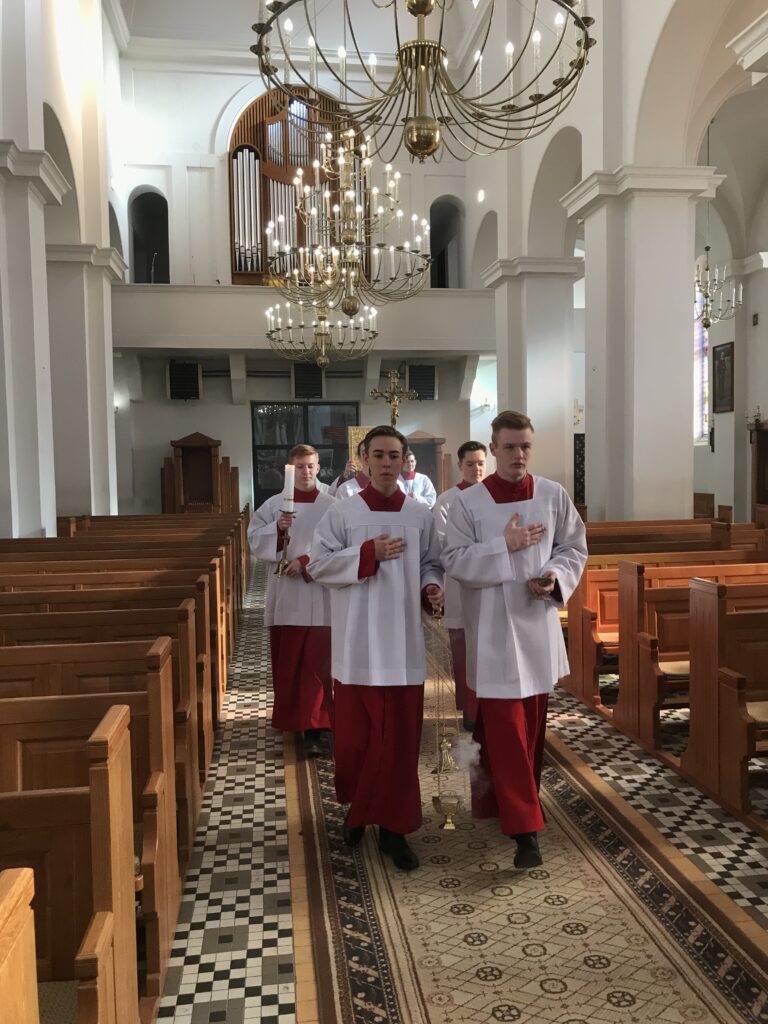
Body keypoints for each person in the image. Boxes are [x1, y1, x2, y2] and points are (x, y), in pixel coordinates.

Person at [442, 411, 587, 869]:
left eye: (525, 445)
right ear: (493, 449)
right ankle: (525, 830)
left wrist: (554, 576)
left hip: (537, 626)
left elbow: (573, 547)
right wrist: (502, 545)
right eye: (509, 446)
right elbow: (454, 560)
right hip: (493, 632)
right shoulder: (469, 503)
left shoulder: (552, 494)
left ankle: (494, 800)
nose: (519, 455)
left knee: (529, 729)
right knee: (507, 729)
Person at [308, 425, 444, 870]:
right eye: (379, 455)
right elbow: (319, 565)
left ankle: (393, 829)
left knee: (399, 742)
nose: (387, 463)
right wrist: (368, 554)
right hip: (358, 644)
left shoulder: (421, 515)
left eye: (394, 455)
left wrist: (431, 586)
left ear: (405, 461)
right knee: (356, 741)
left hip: (403, 646)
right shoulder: (343, 512)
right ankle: (359, 809)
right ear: (364, 459)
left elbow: (432, 563)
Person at [248, 443, 336, 758]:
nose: (306, 472)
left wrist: (306, 562)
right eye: (300, 466)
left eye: (311, 466)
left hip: (321, 594)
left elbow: (340, 545)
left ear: (319, 468)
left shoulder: (332, 506)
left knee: (317, 664)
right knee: (291, 663)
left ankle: (318, 727)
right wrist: (277, 528)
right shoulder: (274, 505)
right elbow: (254, 540)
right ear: (290, 469)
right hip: (286, 595)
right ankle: (294, 720)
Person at [433, 441, 487, 732]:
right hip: (459, 586)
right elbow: (444, 544)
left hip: (491, 585)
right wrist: (485, 551)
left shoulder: (493, 497)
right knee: (464, 649)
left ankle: (490, 707)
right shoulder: (447, 501)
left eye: (480, 463)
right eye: (470, 464)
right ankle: (470, 709)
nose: (476, 469)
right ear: (460, 466)